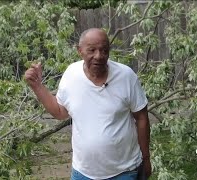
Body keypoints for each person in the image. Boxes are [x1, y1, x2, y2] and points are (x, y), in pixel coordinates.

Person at [25, 28, 151, 180]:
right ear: (80, 51)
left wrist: (146, 158)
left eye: (104, 50)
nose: (99, 56)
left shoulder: (126, 76)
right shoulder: (71, 75)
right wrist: (37, 86)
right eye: (92, 50)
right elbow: (60, 112)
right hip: (83, 173)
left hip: (124, 171)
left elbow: (142, 117)